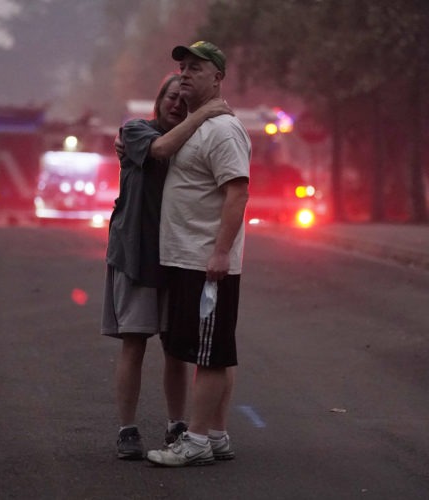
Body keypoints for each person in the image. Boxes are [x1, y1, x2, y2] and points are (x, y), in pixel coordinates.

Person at [101, 72, 232, 460]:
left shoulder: (193, 142)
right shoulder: (137, 131)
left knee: (176, 349)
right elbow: (160, 149)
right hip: (136, 255)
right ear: (158, 100)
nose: (176, 104)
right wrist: (205, 111)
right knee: (134, 342)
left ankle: (177, 424)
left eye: (183, 99)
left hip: (178, 257)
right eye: (171, 97)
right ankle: (127, 429)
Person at [146, 41, 251, 467]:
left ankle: (198, 440)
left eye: (196, 68)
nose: (186, 74)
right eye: (182, 67)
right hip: (182, 257)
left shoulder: (224, 130)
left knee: (210, 353)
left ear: (217, 77)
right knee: (204, 348)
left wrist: (221, 253)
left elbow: (238, 193)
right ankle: (217, 435)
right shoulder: (196, 125)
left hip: (206, 260)